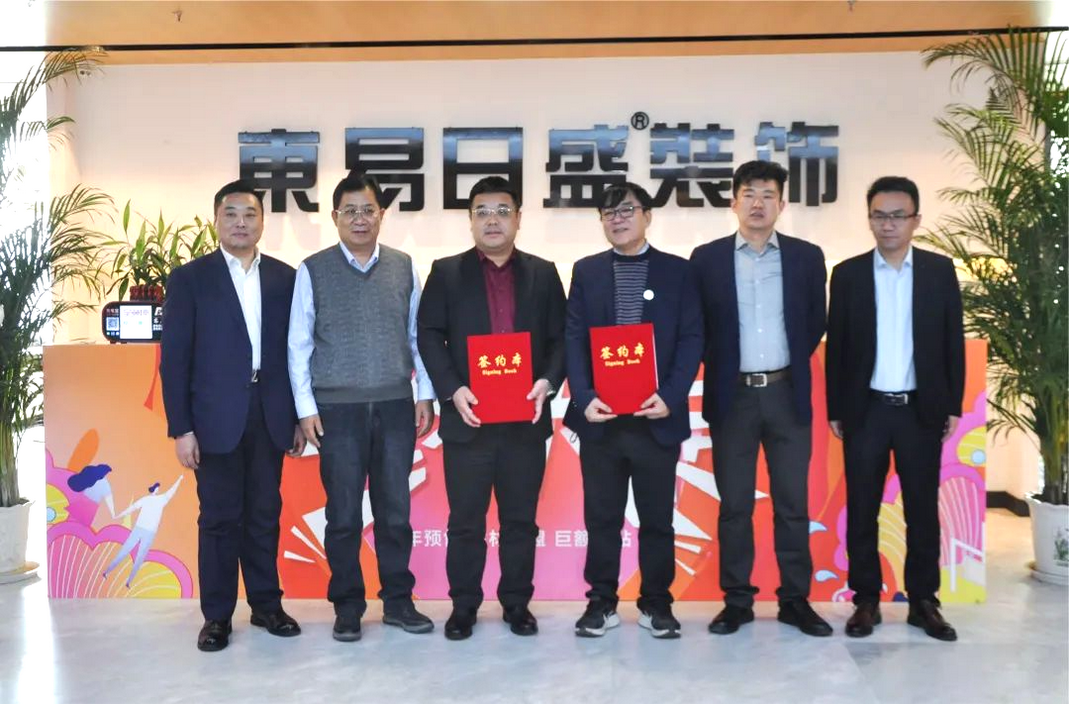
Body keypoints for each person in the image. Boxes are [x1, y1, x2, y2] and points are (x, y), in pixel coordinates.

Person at [288, 172, 436, 642]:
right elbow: (298, 345)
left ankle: (398, 602)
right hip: (337, 412)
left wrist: (425, 392)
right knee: (344, 514)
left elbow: (418, 336)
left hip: (395, 406)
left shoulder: (403, 266)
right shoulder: (312, 270)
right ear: (335, 217)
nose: (359, 218)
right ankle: (348, 606)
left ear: (381, 215)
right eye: (349, 210)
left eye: (367, 210)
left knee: (395, 512)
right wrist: (305, 408)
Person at [417, 176, 566, 641]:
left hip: (525, 422)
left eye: (502, 211)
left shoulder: (544, 273)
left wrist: (547, 381)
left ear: (518, 218)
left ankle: (517, 603)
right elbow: (428, 335)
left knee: (520, 521)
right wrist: (452, 389)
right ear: (470, 221)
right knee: (465, 522)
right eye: (482, 212)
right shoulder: (446, 272)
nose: (492, 220)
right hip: (469, 421)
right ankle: (463, 606)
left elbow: (562, 338)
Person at [160, 179, 305, 653]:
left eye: (250, 214)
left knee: (265, 514)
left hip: (270, 412)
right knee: (220, 519)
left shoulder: (285, 278)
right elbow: (174, 359)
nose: (241, 223)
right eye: (231, 214)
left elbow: (296, 352)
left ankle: (266, 605)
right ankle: (217, 617)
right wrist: (182, 428)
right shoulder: (190, 279)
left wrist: (297, 416)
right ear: (217, 220)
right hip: (213, 419)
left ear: (263, 221)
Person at [690, 160, 831, 637]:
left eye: (768, 194)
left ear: (782, 204)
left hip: (787, 393)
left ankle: (795, 600)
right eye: (749, 193)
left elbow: (814, 322)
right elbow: (698, 328)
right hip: (733, 397)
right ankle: (737, 601)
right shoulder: (706, 259)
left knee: (792, 503)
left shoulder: (806, 257)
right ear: (733, 202)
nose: (757, 203)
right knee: (735, 505)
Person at [826, 175, 964, 642]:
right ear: (869, 219)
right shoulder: (847, 275)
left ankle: (924, 601)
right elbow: (838, 347)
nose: (888, 224)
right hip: (865, 410)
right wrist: (837, 407)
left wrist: (951, 403)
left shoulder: (938, 271)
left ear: (915, 220)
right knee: (862, 508)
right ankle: (866, 600)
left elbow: (952, 341)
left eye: (898, 216)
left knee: (922, 510)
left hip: (919, 411)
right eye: (879, 216)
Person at [564, 182, 703, 639]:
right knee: (601, 517)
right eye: (609, 213)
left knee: (657, 519)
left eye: (627, 210)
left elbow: (691, 338)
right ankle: (601, 602)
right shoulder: (586, 271)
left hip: (655, 417)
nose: (617, 219)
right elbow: (574, 338)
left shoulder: (677, 272)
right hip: (602, 420)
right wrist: (584, 397)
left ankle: (657, 602)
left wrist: (672, 395)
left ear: (648, 216)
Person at [102, 476, 184, 586]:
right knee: (135, 555)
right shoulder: (159, 499)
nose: (158, 489)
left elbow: (132, 508)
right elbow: (171, 491)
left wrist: (179, 480)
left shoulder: (155, 499)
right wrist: (179, 480)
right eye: (157, 488)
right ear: (156, 489)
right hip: (144, 530)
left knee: (131, 553)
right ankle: (118, 577)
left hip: (145, 531)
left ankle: (119, 577)